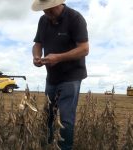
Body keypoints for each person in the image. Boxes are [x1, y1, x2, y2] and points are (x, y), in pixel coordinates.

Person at [31, 0, 89, 149]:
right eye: (44, 10)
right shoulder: (43, 20)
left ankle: (64, 148)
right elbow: (37, 44)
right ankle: (47, 145)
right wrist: (36, 57)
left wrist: (58, 57)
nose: (47, 13)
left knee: (66, 119)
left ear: (59, 3)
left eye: (50, 9)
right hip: (51, 78)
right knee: (47, 116)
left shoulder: (75, 18)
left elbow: (84, 49)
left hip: (71, 77)